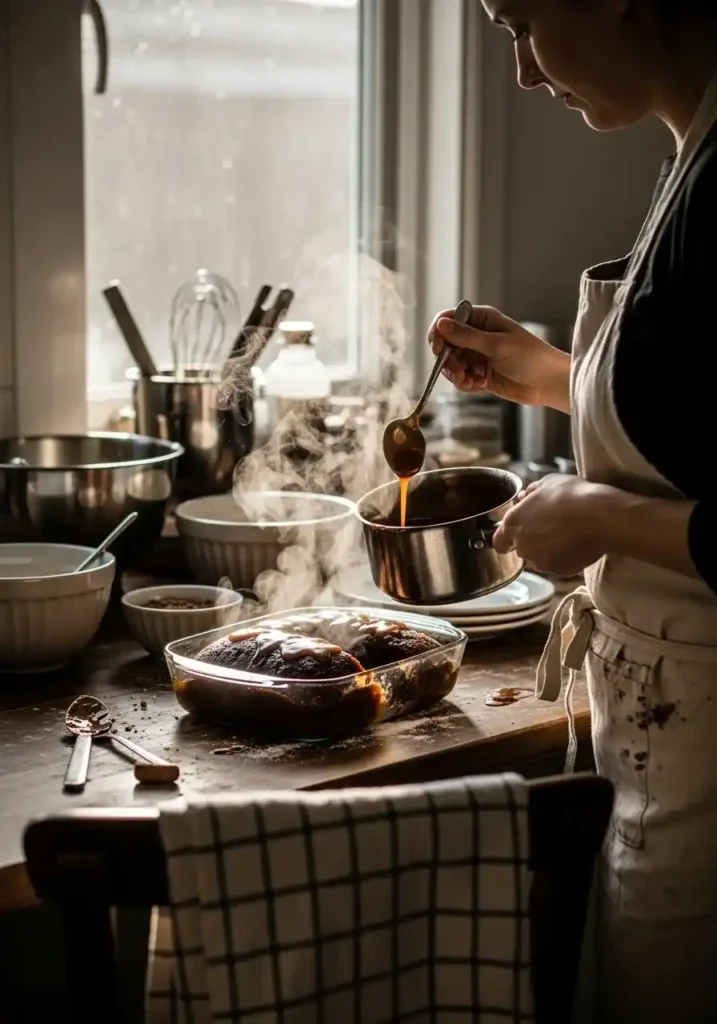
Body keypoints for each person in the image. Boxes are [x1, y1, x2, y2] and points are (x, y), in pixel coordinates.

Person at [429, 1, 717, 1021]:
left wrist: (598, 520)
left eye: (519, 25)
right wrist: (549, 374)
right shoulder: (696, 147)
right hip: (665, 723)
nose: (521, 73)